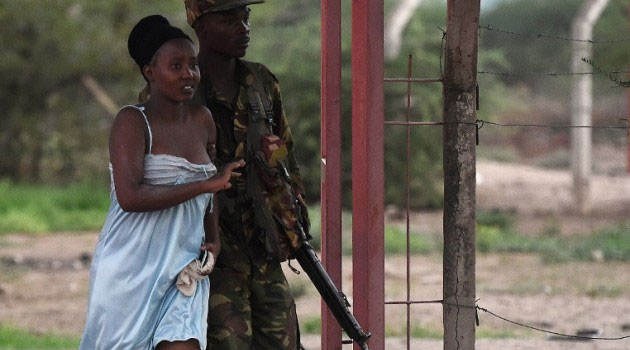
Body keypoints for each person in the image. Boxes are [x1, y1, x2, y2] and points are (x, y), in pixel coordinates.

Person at [79, 15, 244, 350]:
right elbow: (131, 196)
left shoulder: (203, 120)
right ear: (149, 72)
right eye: (176, 66)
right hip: (131, 268)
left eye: (193, 65)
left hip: (182, 267)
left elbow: (213, 185)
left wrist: (214, 239)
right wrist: (206, 185)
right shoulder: (132, 121)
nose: (189, 75)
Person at [183, 1, 310, 349]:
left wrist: (291, 218)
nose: (243, 28)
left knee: (281, 338)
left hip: (262, 239)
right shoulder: (179, 87)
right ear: (200, 26)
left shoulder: (261, 83)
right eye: (229, 20)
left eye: (246, 17)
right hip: (208, 248)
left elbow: (287, 158)